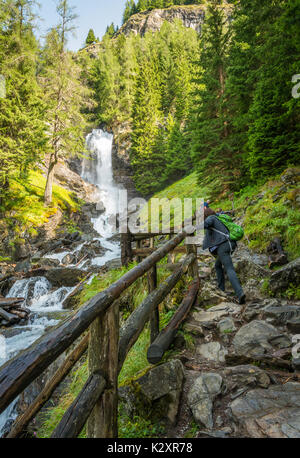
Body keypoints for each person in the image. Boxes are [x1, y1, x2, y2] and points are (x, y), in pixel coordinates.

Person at [203, 207, 246, 305]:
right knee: (217, 265)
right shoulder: (218, 217)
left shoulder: (211, 218)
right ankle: (221, 289)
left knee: (229, 268)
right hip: (230, 243)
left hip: (223, 246)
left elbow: (206, 224)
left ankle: (240, 293)